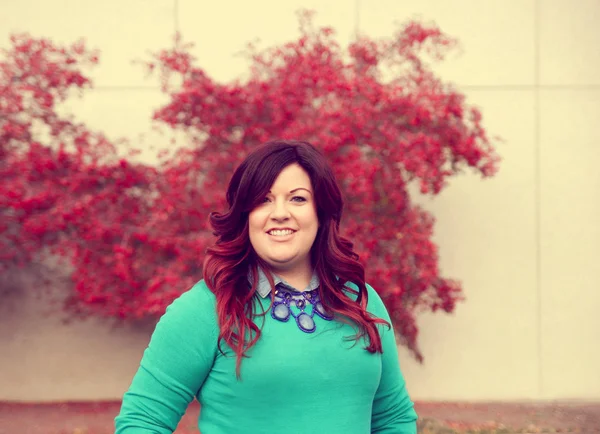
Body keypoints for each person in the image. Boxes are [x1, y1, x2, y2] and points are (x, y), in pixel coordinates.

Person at [114, 140, 418, 433]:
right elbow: (142, 422)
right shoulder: (204, 310)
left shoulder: (360, 300)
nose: (280, 213)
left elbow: (393, 418)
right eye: (263, 200)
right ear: (245, 215)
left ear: (321, 212)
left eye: (298, 198)